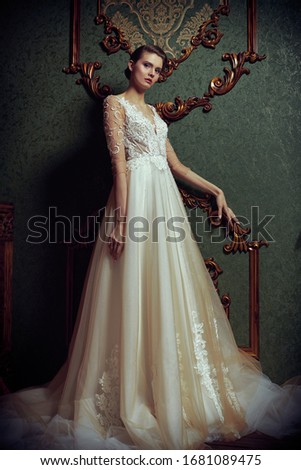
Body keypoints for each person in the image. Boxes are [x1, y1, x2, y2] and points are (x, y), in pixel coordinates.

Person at [0, 44, 300, 450]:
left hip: (165, 208)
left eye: (158, 69)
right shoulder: (114, 105)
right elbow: (119, 167)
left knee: (166, 296)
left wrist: (217, 191)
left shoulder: (156, 116)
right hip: (135, 205)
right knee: (128, 293)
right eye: (146, 65)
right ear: (131, 65)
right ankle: (128, 398)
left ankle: (170, 393)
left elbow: (175, 167)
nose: (152, 73)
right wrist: (122, 222)